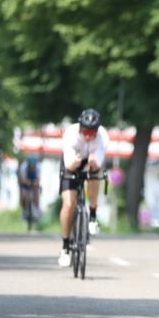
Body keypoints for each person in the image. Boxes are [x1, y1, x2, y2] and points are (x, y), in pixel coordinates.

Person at [58, 109, 108, 266]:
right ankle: (65, 246)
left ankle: (92, 214)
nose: (88, 136)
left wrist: (93, 163)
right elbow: (69, 165)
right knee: (69, 204)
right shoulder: (71, 135)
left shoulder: (102, 137)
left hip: (91, 161)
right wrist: (75, 164)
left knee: (95, 174)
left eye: (92, 133)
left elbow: (98, 165)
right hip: (72, 162)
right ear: (80, 128)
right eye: (85, 131)